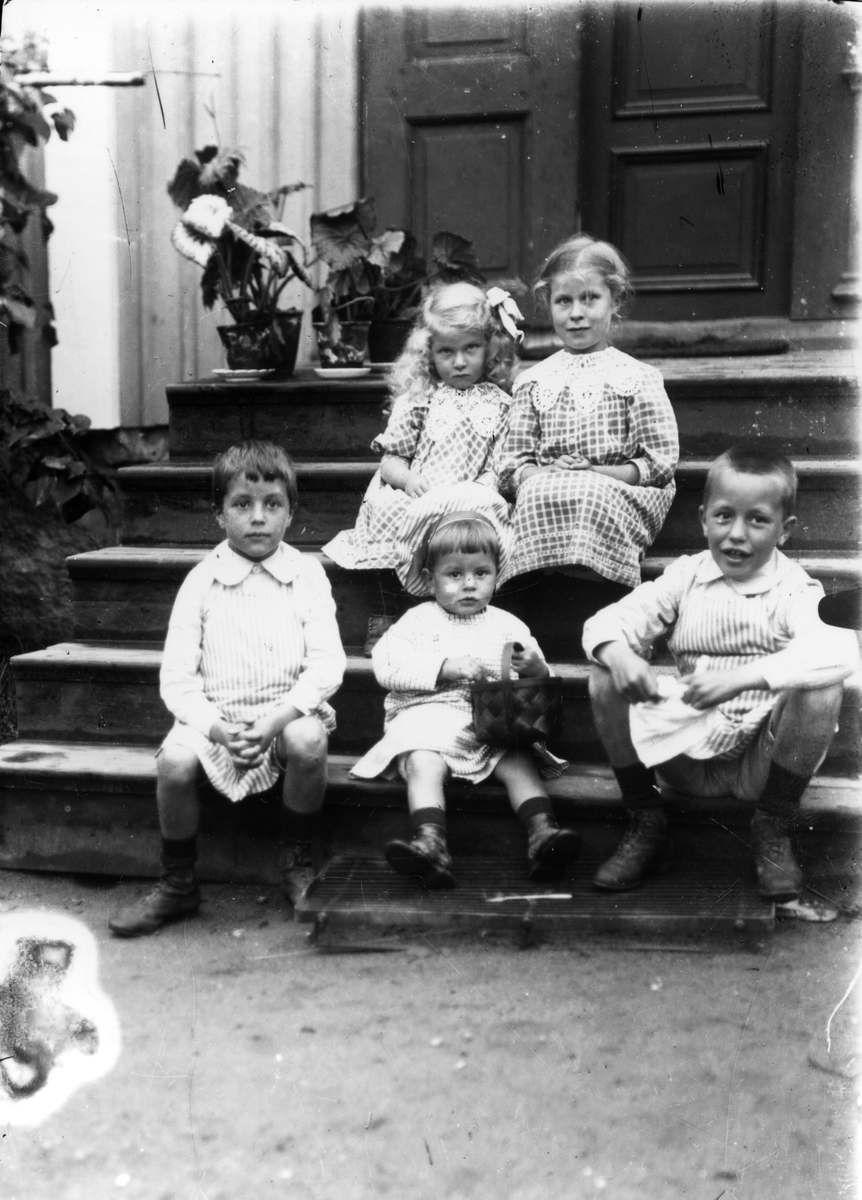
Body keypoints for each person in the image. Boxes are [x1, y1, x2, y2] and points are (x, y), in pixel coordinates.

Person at [582, 445, 859, 918]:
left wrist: (740, 679)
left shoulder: (795, 589)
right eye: (724, 516)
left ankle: (772, 825)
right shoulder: (685, 576)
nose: (736, 534)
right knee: (604, 671)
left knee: (822, 685)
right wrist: (620, 654)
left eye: (758, 520)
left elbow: (840, 652)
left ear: (784, 530)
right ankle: (645, 818)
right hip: (685, 752)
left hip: (759, 764)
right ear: (703, 518)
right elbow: (607, 621)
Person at [110, 440, 346, 937]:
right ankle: (178, 881)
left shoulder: (306, 575)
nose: (258, 517)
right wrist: (217, 729)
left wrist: (276, 721)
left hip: (284, 717)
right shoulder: (201, 581)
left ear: (290, 513)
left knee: (309, 740)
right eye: (242, 504)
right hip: (216, 719)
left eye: (273, 504)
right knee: (173, 763)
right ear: (219, 514)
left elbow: (328, 665)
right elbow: (177, 680)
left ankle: (296, 860)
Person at [351, 512, 580, 888]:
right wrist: (443, 667)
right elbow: (386, 666)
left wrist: (536, 668)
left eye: (481, 573)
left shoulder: (508, 624)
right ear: (431, 579)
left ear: (496, 575)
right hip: (429, 715)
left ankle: (542, 833)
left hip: (492, 724)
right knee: (422, 760)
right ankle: (430, 842)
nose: (469, 584)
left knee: (519, 760)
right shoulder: (417, 620)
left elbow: (537, 687)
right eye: (455, 574)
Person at [322, 281, 522, 649]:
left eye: (471, 348)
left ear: (490, 348)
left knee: (483, 514)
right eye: (446, 351)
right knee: (387, 507)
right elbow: (392, 460)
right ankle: (386, 614)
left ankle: (465, 620)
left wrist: (477, 489)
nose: (459, 362)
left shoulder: (502, 405)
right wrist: (407, 478)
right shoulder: (421, 400)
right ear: (429, 353)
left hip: (470, 495)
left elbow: (498, 467)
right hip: (420, 493)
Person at [498, 234, 678, 594]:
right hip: (551, 489)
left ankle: (598, 592)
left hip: (618, 490)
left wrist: (594, 472)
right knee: (536, 493)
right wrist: (546, 471)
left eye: (590, 298)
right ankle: (544, 592)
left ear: (616, 300)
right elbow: (511, 467)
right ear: (547, 303)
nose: (576, 313)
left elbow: (659, 465)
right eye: (564, 301)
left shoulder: (636, 377)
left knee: (590, 492)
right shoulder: (533, 381)